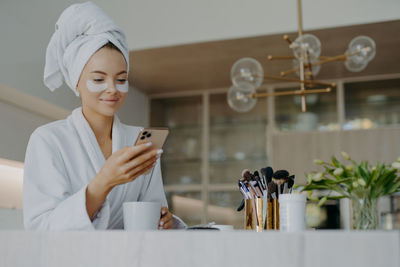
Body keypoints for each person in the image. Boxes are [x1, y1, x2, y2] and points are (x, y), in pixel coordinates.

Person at [23, 1, 185, 230]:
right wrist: (104, 181)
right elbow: (41, 229)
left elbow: (153, 208)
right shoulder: (49, 140)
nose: (112, 89)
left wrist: (165, 221)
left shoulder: (137, 139)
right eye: (98, 79)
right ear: (76, 82)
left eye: (121, 79)